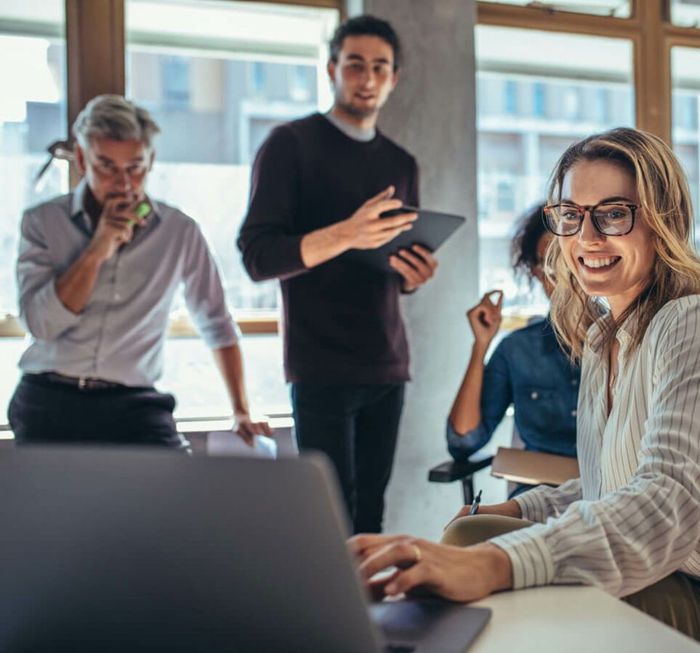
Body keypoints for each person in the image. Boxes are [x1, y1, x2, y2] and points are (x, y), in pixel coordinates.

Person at [350, 127, 700, 639]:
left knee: (484, 561)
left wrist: (495, 564)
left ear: (662, 221)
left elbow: (668, 497)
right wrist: (519, 507)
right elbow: (609, 483)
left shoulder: (687, 323)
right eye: (571, 216)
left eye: (614, 213)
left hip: (687, 582)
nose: (587, 237)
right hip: (651, 565)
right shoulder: (603, 337)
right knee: (471, 529)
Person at [238, 15, 438, 533]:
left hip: (388, 363)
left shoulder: (402, 162)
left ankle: (369, 617)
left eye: (379, 68)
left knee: (371, 517)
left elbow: (393, 266)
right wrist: (347, 232)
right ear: (332, 68)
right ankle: (330, 617)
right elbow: (258, 256)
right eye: (355, 64)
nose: (367, 78)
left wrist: (413, 273)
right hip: (320, 364)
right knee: (329, 520)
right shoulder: (290, 144)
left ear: (394, 78)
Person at [9, 94, 271, 449]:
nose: (124, 183)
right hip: (49, 397)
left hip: (134, 403)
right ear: (83, 160)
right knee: (52, 504)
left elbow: (216, 322)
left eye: (135, 167)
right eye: (107, 166)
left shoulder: (179, 231)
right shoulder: (42, 222)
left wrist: (241, 410)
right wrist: (97, 250)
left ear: (151, 161)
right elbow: (41, 325)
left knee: (175, 496)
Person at [447, 204, 579, 496]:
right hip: (535, 498)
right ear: (534, 272)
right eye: (548, 266)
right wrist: (480, 345)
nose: (560, 276)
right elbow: (463, 441)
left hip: (609, 499)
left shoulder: (626, 341)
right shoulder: (518, 349)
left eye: (568, 261)